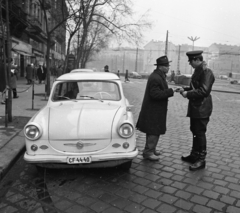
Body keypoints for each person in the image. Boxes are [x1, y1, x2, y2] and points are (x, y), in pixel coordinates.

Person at [136, 56, 180, 161]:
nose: (169, 68)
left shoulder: (159, 76)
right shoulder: (156, 77)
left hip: (155, 109)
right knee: (153, 130)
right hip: (154, 110)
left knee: (154, 130)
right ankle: (148, 152)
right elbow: (155, 94)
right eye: (167, 66)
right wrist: (171, 91)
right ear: (161, 67)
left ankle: (152, 149)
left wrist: (171, 90)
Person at [179, 50, 215, 171]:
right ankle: (194, 155)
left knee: (199, 132)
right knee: (194, 130)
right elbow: (196, 87)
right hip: (197, 107)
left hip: (202, 108)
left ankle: (201, 159)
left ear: (196, 60)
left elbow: (204, 91)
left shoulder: (206, 72)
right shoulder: (199, 71)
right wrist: (184, 89)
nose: (190, 64)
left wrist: (187, 93)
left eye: (190, 61)